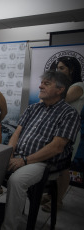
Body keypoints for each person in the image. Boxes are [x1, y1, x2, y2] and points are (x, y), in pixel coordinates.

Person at [1, 71, 80, 230]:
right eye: (42, 82)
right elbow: (16, 134)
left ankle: (8, 227)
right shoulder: (33, 108)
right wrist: (9, 153)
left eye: (46, 83)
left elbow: (57, 147)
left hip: (44, 162)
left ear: (60, 89)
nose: (40, 86)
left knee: (16, 181)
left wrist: (24, 161)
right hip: (18, 156)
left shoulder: (69, 114)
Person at [42, 57, 84, 212]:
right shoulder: (64, 86)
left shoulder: (77, 86)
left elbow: (59, 100)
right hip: (56, 129)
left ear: (71, 70)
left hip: (69, 131)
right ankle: (52, 195)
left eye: (61, 68)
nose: (58, 71)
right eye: (57, 68)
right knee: (54, 165)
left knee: (63, 167)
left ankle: (58, 201)